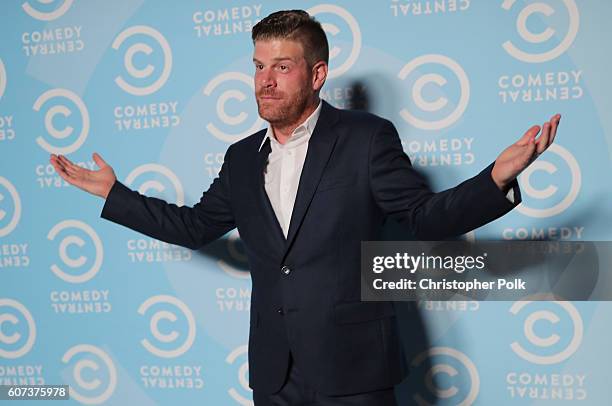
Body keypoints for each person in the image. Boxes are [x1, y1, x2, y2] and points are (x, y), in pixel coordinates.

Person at [50, 9, 561, 406]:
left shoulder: (366, 138)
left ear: (317, 74)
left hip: (355, 372)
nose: (264, 81)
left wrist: (497, 178)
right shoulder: (240, 157)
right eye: (257, 66)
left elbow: (425, 218)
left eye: (281, 67)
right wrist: (113, 194)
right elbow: (195, 226)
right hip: (275, 375)